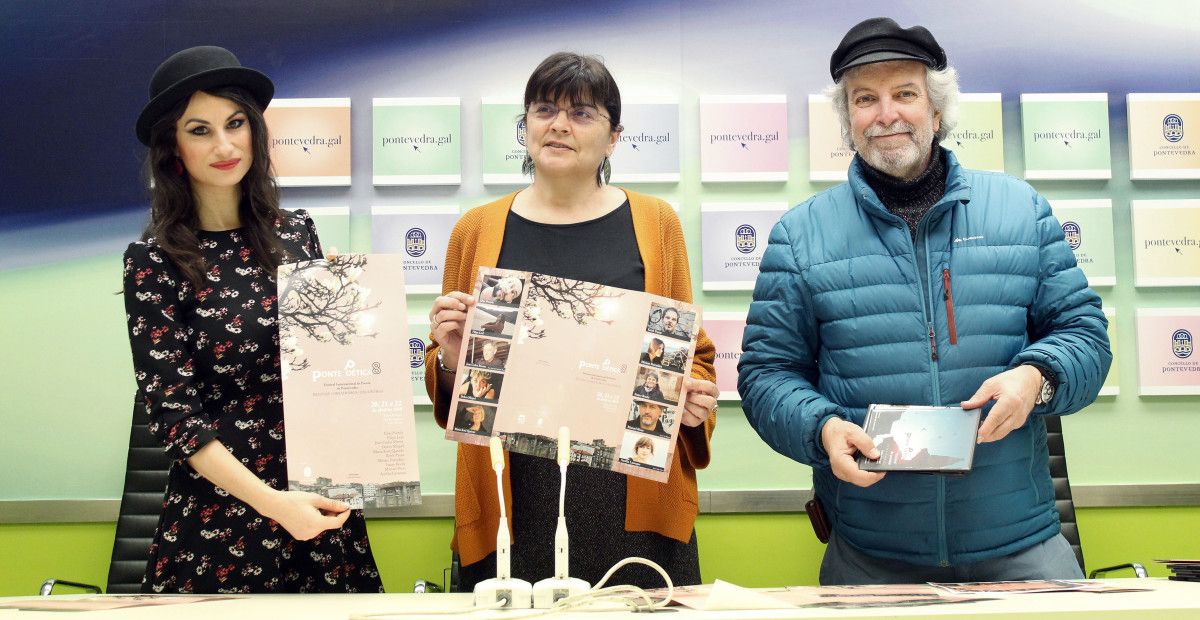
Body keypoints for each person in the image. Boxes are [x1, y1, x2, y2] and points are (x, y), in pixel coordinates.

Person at [738, 18, 1110, 585]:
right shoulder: (801, 235)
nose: (886, 113)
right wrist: (820, 429)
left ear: (936, 112)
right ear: (849, 122)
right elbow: (767, 374)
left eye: (904, 94)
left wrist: (1038, 376)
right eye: (866, 99)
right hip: (869, 555)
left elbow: (1085, 334)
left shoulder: (1019, 210)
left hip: (1022, 547)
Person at [424, 51, 718, 590]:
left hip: (630, 495)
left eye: (582, 113)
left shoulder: (655, 223)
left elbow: (690, 352)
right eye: (543, 109)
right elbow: (454, 380)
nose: (559, 124)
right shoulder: (477, 229)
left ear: (613, 138)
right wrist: (447, 355)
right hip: (513, 492)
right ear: (525, 127)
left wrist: (693, 405)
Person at [123, 46, 382, 593]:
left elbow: (326, 379)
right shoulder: (152, 261)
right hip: (220, 522)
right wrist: (275, 506)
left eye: (235, 123)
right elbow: (177, 421)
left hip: (317, 505)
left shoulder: (296, 234)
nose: (224, 145)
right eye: (200, 130)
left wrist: (349, 315)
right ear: (173, 147)